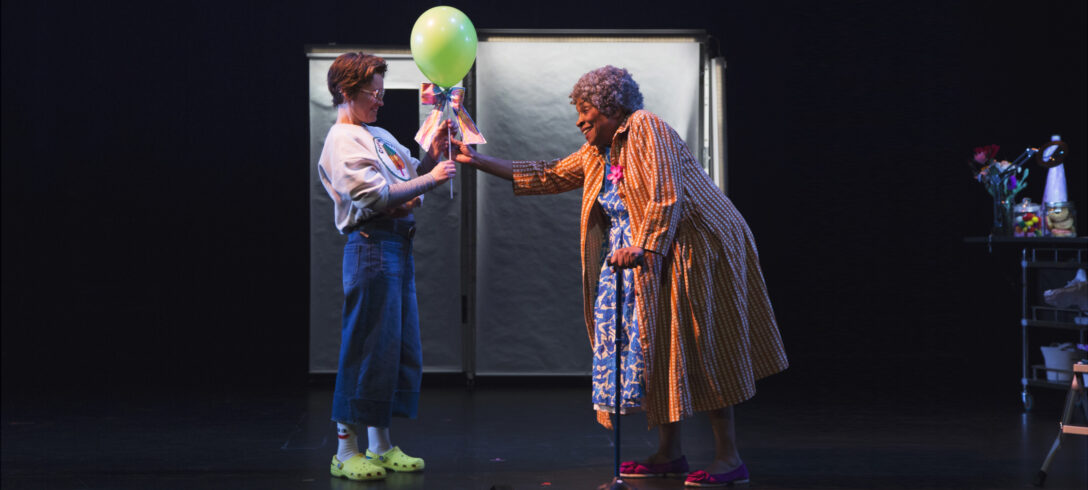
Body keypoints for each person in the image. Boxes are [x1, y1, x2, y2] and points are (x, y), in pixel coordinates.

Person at [453, 65, 788, 487]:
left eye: (586, 110)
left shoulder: (645, 127)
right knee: (658, 347)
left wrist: (645, 246)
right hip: (650, 253)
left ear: (612, 107)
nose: (579, 120)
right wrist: (476, 160)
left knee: (702, 343)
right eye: (578, 111)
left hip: (695, 245)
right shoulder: (598, 152)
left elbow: (666, 194)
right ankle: (669, 453)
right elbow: (550, 174)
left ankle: (730, 458)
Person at [318, 52, 456, 482]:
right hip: (371, 245)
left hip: (396, 246)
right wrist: (427, 181)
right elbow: (375, 196)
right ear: (347, 91)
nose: (380, 100)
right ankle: (345, 450)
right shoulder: (342, 139)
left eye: (381, 92)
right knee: (365, 345)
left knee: (392, 347)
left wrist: (432, 157)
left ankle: (379, 444)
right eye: (372, 93)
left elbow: (408, 181)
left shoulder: (377, 135)